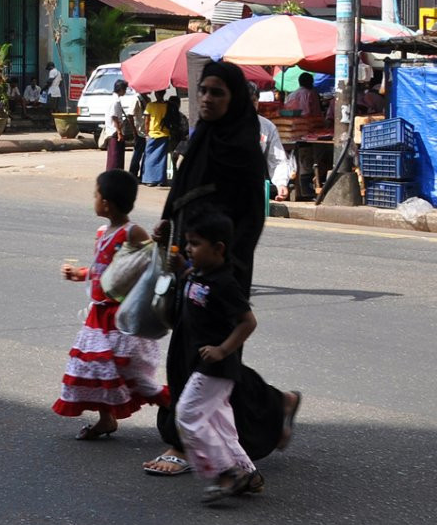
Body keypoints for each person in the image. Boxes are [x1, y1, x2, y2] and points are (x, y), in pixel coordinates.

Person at [142, 61, 303, 480]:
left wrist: (221, 267)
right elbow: (183, 189)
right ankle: (274, 404)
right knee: (195, 347)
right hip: (187, 258)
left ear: (234, 100)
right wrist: (166, 220)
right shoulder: (204, 137)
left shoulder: (241, 147)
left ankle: (184, 440)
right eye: (204, 92)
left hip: (219, 268)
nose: (208, 100)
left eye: (218, 93)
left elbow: (250, 217)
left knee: (206, 350)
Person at [168, 208, 270, 502]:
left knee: (187, 413)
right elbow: (195, 286)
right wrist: (182, 268)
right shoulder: (200, 273)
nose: (189, 248)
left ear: (218, 248)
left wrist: (222, 349)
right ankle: (247, 473)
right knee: (220, 424)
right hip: (203, 362)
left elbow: (248, 322)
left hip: (216, 365)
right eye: (188, 242)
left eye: (196, 244)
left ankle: (226, 472)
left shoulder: (225, 283)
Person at [54, 169, 165, 438]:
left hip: (120, 316)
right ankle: (107, 418)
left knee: (130, 372)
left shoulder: (131, 232)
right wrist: (80, 274)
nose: (93, 199)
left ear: (107, 203)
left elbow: (150, 261)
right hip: (98, 315)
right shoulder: (103, 231)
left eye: (95, 195)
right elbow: (102, 269)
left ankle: (179, 410)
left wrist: (159, 241)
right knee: (96, 368)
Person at [140, 88, 173, 186]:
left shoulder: (150, 105)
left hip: (153, 134)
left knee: (149, 157)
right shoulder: (167, 106)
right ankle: (160, 180)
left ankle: (149, 179)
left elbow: (146, 121)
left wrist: (146, 133)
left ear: (155, 94)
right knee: (161, 158)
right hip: (165, 134)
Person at [101, 79, 132, 172]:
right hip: (114, 132)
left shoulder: (115, 99)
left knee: (116, 156)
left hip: (113, 131)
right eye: (125, 89)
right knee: (115, 157)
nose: (125, 91)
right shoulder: (115, 101)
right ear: (121, 89)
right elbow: (114, 117)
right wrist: (119, 132)